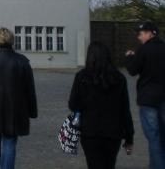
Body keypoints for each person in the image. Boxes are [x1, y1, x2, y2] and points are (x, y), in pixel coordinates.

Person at [0, 27, 37, 169]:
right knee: (9, 142)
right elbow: (30, 89)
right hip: (15, 110)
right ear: (12, 41)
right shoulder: (23, 62)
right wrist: (32, 112)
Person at [69, 41, 134, 169]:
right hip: (113, 132)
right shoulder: (119, 78)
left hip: (90, 131)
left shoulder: (82, 77)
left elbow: (73, 104)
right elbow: (125, 110)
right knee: (109, 165)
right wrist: (129, 137)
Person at [125, 21, 165, 169]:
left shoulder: (143, 50)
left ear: (151, 33)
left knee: (153, 137)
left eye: (141, 33)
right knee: (162, 136)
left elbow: (132, 70)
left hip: (148, 99)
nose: (138, 37)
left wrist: (129, 57)